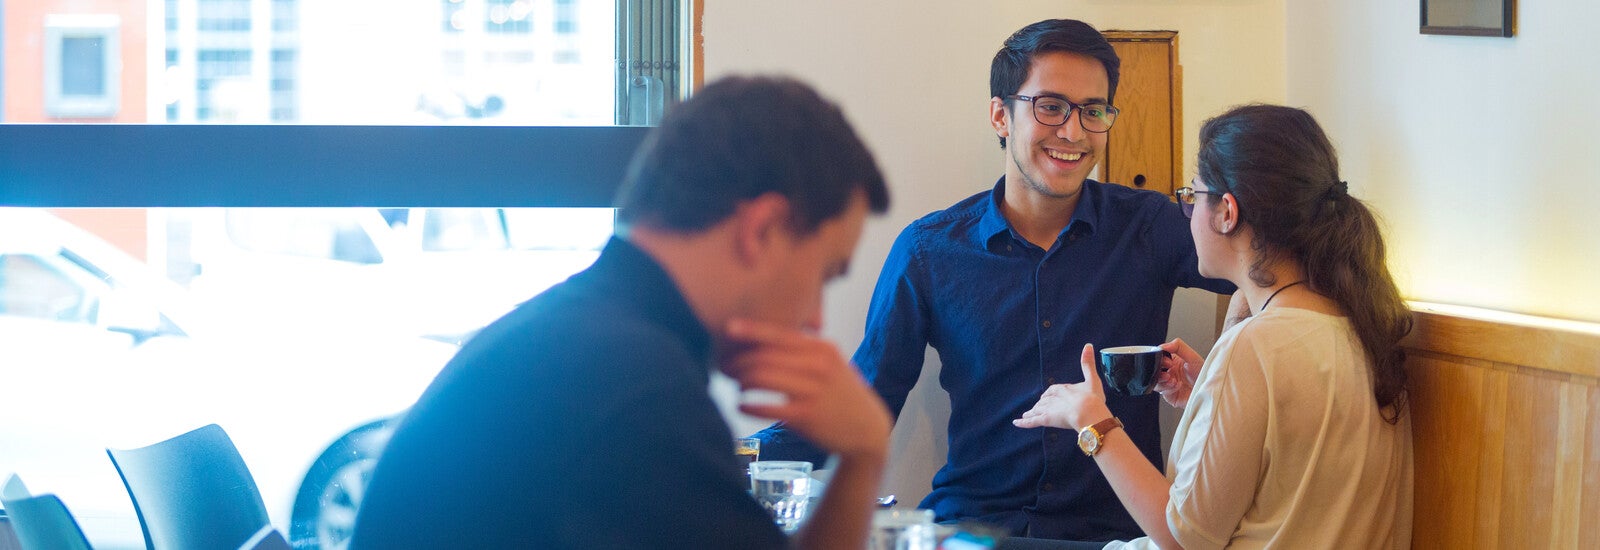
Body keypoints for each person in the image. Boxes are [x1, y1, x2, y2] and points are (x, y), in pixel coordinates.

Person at [350, 75, 895, 549]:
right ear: (764, 230)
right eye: (825, 274)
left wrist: (860, 459)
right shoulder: (635, 388)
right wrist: (865, 453)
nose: (816, 321)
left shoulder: (580, 335)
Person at [754, 18, 1234, 541]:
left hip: (1111, 534)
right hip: (971, 529)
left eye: (1093, 112)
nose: (1073, 132)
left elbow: (1260, 269)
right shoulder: (929, 250)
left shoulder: (1149, 226)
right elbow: (867, 397)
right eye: (1050, 107)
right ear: (1000, 116)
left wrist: (1233, 354)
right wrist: (725, 455)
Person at [1012, 104, 1415, 549]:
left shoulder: (1257, 346)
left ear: (1226, 210)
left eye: (1192, 196)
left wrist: (1093, 422)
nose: (1188, 215)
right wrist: (1210, 397)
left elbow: (1183, 540)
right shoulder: (1359, 321)